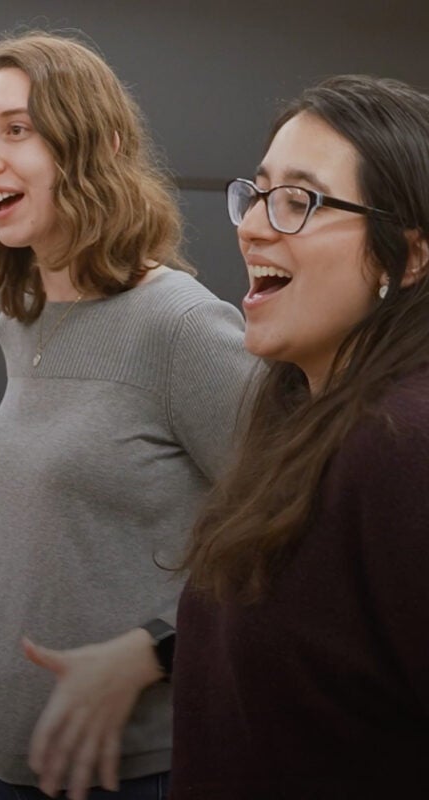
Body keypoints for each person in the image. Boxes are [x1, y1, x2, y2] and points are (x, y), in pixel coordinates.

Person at [0, 32, 258, 800]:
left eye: (16, 129)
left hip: (137, 774)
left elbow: (295, 540)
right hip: (7, 767)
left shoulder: (180, 325)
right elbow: (83, 534)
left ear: (102, 145)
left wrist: (155, 654)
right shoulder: (21, 321)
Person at [170, 75, 429, 799]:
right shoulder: (296, 421)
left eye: (299, 201)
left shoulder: (404, 446)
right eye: (257, 195)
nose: (253, 226)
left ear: (409, 256)